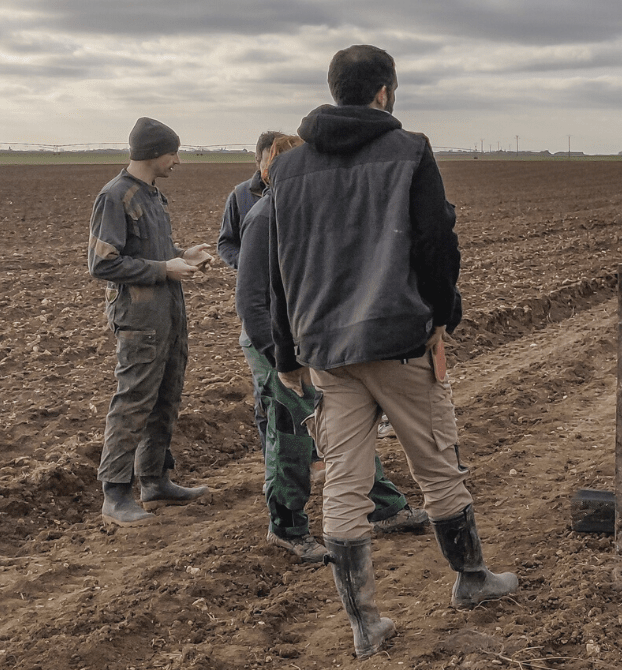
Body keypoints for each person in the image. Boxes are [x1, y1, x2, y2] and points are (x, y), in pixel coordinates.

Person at [268, 45, 517, 659]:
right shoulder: (410, 150)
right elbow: (435, 244)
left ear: (335, 89)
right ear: (384, 92)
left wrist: (286, 353)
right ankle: (471, 579)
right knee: (437, 464)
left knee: (344, 480)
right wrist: (442, 315)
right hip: (400, 340)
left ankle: (365, 623)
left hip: (326, 347)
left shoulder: (288, 169)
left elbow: (279, 266)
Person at [235, 133, 428, 563]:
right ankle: (286, 528)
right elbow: (251, 302)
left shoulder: (306, 209)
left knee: (344, 428)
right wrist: (282, 359)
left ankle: (382, 507)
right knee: (292, 434)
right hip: (275, 346)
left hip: (311, 341)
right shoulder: (265, 217)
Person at [89, 117, 213, 525]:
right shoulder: (115, 196)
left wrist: (183, 255)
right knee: (134, 401)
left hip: (168, 313)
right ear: (153, 152)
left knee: (166, 397)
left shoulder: (153, 195)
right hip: (139, 319)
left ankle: (155, 481)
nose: (177, 160)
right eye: (172, 153)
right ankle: (115, 495)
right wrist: (164, 268)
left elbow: (152, 251)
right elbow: (102, 263)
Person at [217, 130, 283, 452]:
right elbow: (225, 243)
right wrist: (249, 265)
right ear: (257, 160)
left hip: (289, 303)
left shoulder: (295, 192)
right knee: (265, 388)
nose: (272, 166)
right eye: (268, 160)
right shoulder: (241, 195)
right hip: (259, 302)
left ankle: (303, 456)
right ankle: (271, 455)